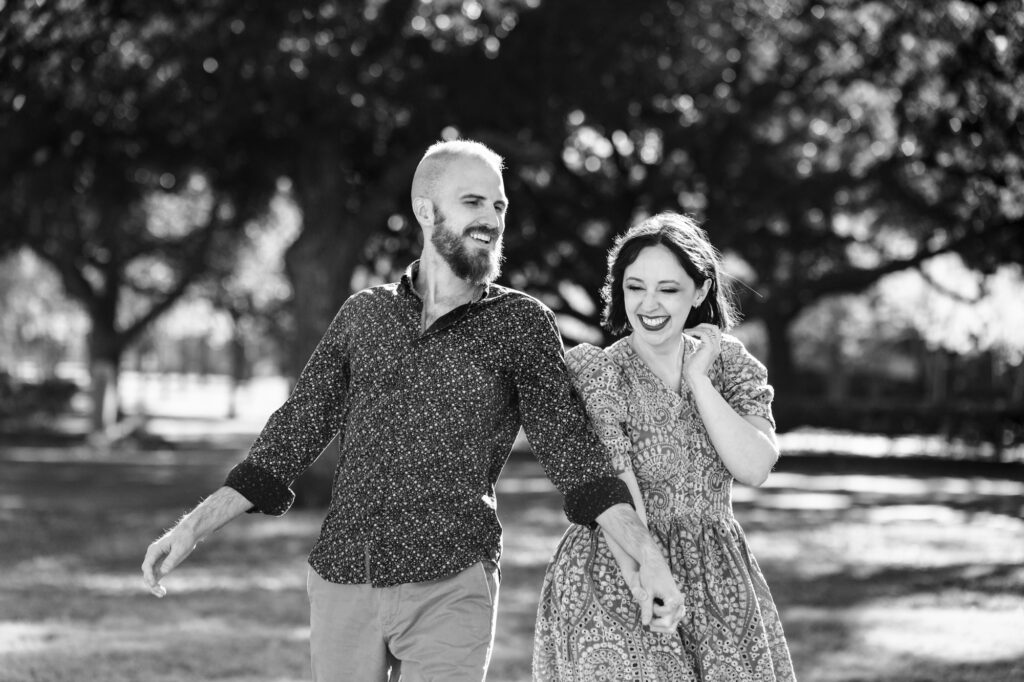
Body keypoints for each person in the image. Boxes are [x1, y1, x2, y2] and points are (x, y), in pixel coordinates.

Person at [141, 139, 684, 682]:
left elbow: (575, 458)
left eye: (499, 207)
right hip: (345, 575)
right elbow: (295, 429)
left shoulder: (521, 324)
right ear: (426, 211)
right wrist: (193, 527)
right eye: (474, 202)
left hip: (453, 578)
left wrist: (646, 555)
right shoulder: (364, 314)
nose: (492, 219)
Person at [533, 212, 796, 681]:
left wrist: (698, 379)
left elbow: (754, 466)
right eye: (635, 287)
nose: (649, 304)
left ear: (699, 291)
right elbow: (617, 481)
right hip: (617, 566)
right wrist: (646, 578)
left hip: (718, 575)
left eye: (668, 289)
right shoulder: (599, 371)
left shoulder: (729, 363)